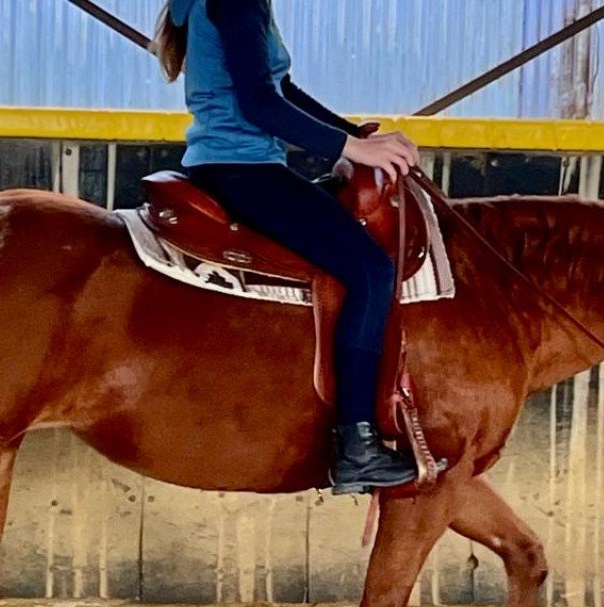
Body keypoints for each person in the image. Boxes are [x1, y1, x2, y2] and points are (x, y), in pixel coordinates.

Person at [156, 0, 422, 494]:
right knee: (371, 270)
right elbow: (261, 104)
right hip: (245, 170)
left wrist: (350, 137)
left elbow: (281, 90)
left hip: (232, 165)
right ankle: (358, 445)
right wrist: (353, 150)